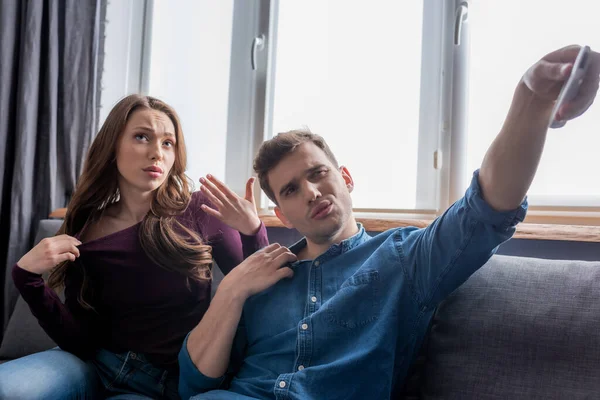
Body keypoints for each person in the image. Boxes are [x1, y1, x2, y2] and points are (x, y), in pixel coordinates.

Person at [178, 45, 600, 400]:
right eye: (290, 190)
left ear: (346, 179)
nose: (309, 192)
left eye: (318, 174)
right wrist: (231, 291)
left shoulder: (404, 257)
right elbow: (195, 382)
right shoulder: (260, 276)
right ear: (282, 215)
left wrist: (531, 100)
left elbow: (485, 212)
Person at [0, 94, 268, 400]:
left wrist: (253, 230)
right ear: (113, 146)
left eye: (168, 143)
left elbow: (262, 293)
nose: (157, 153)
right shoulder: (87, 228)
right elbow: (80, 341)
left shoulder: (201, 210)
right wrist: (27, 278)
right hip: (97, 367)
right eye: (142, 137)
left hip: (178, 380)